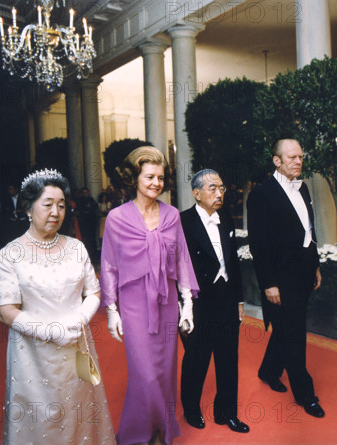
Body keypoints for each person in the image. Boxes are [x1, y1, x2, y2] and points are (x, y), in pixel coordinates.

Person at [0, 169, 115, 445]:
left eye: (61, 205)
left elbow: (93, 291)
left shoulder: (76, 248)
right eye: (47, 204)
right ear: (28, 208)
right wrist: (52, 332)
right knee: (40, 419)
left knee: (79, 411)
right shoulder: (11, 253)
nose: (56, 212)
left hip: (76, 345)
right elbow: (5, 310)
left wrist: (79, 318)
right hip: (32, 354)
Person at [100, 146, 199, 445]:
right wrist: (112, 310)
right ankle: (138, 432)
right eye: (149, 177)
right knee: (144, 373)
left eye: (160, 177)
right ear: (134, 179)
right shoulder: (117, 218)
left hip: (167, 302)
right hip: (133, 305)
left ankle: (160, 430)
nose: (156, 183)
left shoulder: (171, 216)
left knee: (166, 372)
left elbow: (182, 259)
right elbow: (108, 265)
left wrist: (187, 305)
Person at [246, 138, 324, 418]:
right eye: (291, 157)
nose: (298, 161)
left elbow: (309, 232)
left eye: (300, 156)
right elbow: (259, 244)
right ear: (276, 161)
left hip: (303, 272)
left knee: (287, 327)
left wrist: (314, 266)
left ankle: (268, 371)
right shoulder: (261, 194)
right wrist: (269, 283)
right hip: (280, 277)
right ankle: (306, 395)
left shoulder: (302, 189)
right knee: (294, 335)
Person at [179, 169, 249, 433]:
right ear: (196, 194)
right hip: (198, 301)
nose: (219, 193)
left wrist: (240, 299)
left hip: (227, 298)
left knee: (229, 358)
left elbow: (234, 263)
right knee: (197, 357)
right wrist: (182, 308)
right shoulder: (183, 221)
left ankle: (227, 413)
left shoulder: (226, 218)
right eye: (212, 188)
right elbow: (176, 267)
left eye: (221, 188)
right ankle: (192, 409)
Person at [76, 187, 100, 258]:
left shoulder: (91, 199)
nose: (85, 194)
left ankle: (93, 252)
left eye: (86, 192)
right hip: (84, 222)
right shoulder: (80, 200)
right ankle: (86, 253)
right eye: (84, 193)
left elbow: (95, 207)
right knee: (85, 238)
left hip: (91, 222)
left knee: (92, 237)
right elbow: (79, 210)